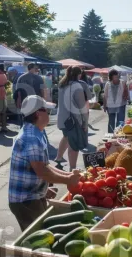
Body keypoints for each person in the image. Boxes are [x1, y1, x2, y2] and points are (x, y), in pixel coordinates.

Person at [8, 95, 80, 231]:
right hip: (25, 200)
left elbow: (44, 165)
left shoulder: (36, 133)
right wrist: (68, 180)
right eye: (46, 111)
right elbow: (42, 171)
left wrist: (67, 175)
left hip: (32, 195)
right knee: (38, 238)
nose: (48, 114)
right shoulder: (31, 138)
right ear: (37, 114)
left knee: (44, 233)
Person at [54, 67, 88, 170]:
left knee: (66, 137)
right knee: (74, 144)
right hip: (74, 120)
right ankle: (73, 169)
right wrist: (85, 123)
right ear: (79, 75)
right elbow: (82, 106)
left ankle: (59, 158)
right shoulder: (77, 86)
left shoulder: (62, 84)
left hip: (62, 118)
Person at [104, 69, 129, 133]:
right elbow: (105, 95)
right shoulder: (108, 84)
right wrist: (104, 106)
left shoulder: (122, 82)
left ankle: (118, 135)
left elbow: (126, 92)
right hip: (110, 105)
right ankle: (110, 135)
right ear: (111, 77)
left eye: (117, 76)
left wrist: (126, 96)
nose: (116, 78)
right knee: (111, 121)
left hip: (121, 105)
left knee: (120, 121)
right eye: (115, 77)